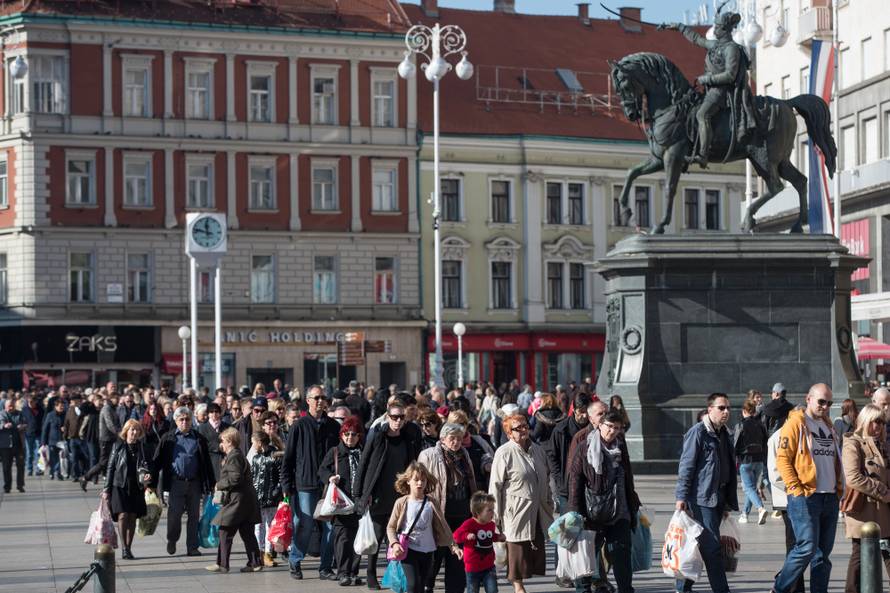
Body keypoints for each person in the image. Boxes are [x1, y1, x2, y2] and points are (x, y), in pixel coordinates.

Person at [773, 383, 843, 593]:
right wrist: (795, 488)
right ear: (808, 398)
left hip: (829, 496)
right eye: (821, 401)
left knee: (822, 555)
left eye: (829, 403)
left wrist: (839, 489)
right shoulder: (796, 423)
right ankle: (779, 588)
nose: (825, 406)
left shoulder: (828, 425)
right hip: (806, 496)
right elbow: (783, 458)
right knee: (806, 548)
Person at [663, 11, 754, 167]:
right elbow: (697, 39)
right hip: (710, 91)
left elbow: (730, 75)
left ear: (725, 29)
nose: (715, 30)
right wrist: (679, 26)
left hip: (722, 92)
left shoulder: (731, 49)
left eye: (717, 27)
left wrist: (707, 79)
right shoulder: (715, 45)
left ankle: (703, 154)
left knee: (702, 114)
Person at [568, 410, 640, 593]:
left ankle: (625, 589)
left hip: (620, 511)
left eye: (617, 428)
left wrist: (633, 503)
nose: (613, 431)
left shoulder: (620, 446)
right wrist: (576, 513)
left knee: (622, 555)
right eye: (609, 426)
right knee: (587, 554)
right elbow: (575, 481)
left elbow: (628, 476)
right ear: (600, 425)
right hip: (593, 512)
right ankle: (584, 589)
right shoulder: (585, 448)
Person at [674, 393, 738, 593]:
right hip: (701, 499)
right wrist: (681, 497)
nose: (726, 411)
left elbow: (727, 467)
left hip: (718, 498)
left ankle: (682, 587)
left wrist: (727, 503)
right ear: (710, 409)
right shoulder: (698, 433)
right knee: (712, 548)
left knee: (701, 545)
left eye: (728, 408)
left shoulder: (725, 433)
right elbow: (686, 466)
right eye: (721, 408)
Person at [356, 401, 421, 589]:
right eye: (394, 417)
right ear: (387, 416)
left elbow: (412, 465)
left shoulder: (408, 438)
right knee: (377, 534)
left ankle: (396, 575)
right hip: (378, 492)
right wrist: (359, 492)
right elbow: (364, 463)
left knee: (398, 536)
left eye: (401, 417)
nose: (398, 421)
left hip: (399, 494)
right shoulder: (378, 436)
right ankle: (370, 572)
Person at [281, 385, 340, 580]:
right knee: (304, 524)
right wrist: (286, 486)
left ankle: (325, 567)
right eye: (316, 397)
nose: (320, 401)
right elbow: (288, 459)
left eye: (323, 397)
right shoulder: (299, 426)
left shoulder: (333, 426)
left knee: (330, 527)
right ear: (308, 400)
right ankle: (295, 560)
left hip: (328, 485)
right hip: (304, 484)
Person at [489, 413, 553, 593]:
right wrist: (494, 517)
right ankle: (518, 587)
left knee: (532, 548)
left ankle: (520, 583)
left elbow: (546, 478)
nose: (524, 430)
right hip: (514, 510)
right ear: (509, 433)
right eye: (518, 428)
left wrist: (548, 501)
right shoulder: (504, 452)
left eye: (525, 426)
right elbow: (495, 486)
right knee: (516, 550)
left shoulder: (537, 450)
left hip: (538, 509)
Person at [419, 423, 477, 593]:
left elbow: (470, 481)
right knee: (436, 555)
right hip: (439, 512)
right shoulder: (428, 455)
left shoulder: (464, 455)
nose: (456, 442)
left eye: (459, 438)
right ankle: (427, 585)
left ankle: (455, 589)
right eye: (452, 438)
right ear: (442, 439)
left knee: (458, 557)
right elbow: (420, 482)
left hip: (462, 512)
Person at [386, 461, 459, 593]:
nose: (420, 483)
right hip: (408, 550)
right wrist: (395, 543)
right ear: (408, 481)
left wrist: (453, 546)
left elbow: (443, 526)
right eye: (416, 480)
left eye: (423, 480)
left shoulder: (431, 502)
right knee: (412, 585)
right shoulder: (402, 502)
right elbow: (391, 527)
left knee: (421, 586)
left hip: (428, 550)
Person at [151, 406, 215, 557]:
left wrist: (211, 483)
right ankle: (172, 539)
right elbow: (157, 461)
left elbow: (206, 462)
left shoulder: (199, 438)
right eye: (181, 419)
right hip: (175, 483)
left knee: (194, 516)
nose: (185, 422)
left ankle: (192, 547)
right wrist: (151, 481)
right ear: (176, 421)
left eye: (187, 419)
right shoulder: (168, 438)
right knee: (174, 516)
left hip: (194, 483)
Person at [841, 404, 890, 592]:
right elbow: (853, 477)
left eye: (882, 422)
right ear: (865, 420)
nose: (879, 426)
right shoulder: (853, 442)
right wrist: (883, 492)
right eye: (875, 421)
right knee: (860, 556)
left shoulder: (883, 444)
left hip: (884, 511)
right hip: (863, 510)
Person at [206, 427, 263, 573]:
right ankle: (255, 562)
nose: (221, 445)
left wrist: (219, 484)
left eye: (223, 441)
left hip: (238, 501)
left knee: (225, 531)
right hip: (245, 500)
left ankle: (223, 564)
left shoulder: (234, 456)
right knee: (247, 532)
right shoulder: (237, 455)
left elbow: (235, 478)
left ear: (230, 442)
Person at [319, 416, 365, 586]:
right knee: (342, 539)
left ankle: (353, 572)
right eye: (346, 434)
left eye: (353, 434)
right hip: (341, 502)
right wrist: (330, 477)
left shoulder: (363, 452)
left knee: (357, 538)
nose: (349, 438)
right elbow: (322, 469)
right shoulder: (335, 452)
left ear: (359, 436)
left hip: (359, 501)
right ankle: (343, 572)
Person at [767, 412, 805, 593]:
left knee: (804, 545)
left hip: (803, 497)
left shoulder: (803, 434)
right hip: (787, 499)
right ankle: (788, 584)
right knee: (795, 545)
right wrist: (797, 487)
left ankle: (790, 583)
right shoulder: (777, 437)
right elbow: (775, 473)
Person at [104, 419, 151, 560]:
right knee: (123, 515)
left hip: (136, 486)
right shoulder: (118, 446)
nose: (134, 433)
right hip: (120, 485)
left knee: (132, 517)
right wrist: (106, 489)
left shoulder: (142, 447)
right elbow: (110, 467)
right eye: (132, 430)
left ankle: (129, 547)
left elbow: (147, 465)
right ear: (126, 431)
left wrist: (148, 475)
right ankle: (124, 547)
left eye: (137, 430)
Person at [453, 492, 505, 593]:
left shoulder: (491, 524)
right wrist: (466, 536)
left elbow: (490, 536)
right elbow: (455, 536)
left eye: (493, 509)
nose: (492, 512)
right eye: (489, 510)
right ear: (478, 512)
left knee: (493, 590)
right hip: (472, 567)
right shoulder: (469, 524)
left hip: (489, 566)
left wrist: (498, 537)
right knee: (472, 590)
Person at [250, 430, 282, 567]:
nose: (253, 446)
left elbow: (281, 476)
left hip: (272, 497)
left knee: (271, 526)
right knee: (259, 526)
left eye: (253, 443)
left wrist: (276, 491)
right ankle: (259, 552)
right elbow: (252, 476)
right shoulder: (255, 458)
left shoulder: (275, 457)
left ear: (259, 443)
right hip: (258, 497)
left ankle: (268, 553)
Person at [735, 398, 768, 525]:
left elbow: (736, 444)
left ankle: (760, 508)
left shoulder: (741, 425)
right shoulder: (760, 424)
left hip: (745, 460)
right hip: (759, 459)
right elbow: (766, 442)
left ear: (744, 411)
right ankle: (745, 514)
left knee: (748, 488)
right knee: (752, 488)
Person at [82, 393, 122, 490]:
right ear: (111, 399)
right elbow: (109, 424)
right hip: (106, 439)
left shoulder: (112, 408)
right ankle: (86, 477)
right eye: (116, 398)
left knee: (112, 461)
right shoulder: (106, 408)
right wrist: (120, 433)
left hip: (112, 439)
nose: (118, 400)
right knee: (103, 462)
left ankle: (111, 482)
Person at [197, 403, 229, 483]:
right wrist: (218, 447)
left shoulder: (227, 426)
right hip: (209, 461)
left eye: (216, 411)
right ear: (208, 414)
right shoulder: (202, 427)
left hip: (224, 460)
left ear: (220, 413)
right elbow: (202, 444)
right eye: (211, 412)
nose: (214, 414)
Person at [0, 398, 27, 493]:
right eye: (9, 406)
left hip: (18, 444)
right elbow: (1, 422)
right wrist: (4, 426)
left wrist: (23, 426)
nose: (11, 408)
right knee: (6, 467)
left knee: (21, 466)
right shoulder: (2, 414)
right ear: (5, 406)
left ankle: (20, 485)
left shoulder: (20, 413)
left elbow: (26, 423)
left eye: (12, 406)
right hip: (6, 445)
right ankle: (7, 486)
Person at [41, 398, 66, 481]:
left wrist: (65, 428)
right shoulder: (50, 415)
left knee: (61, 457)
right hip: (52, 440)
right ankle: (52, 472)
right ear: (55, 406)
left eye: (63, 406)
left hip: (62, 440)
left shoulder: (65, 414)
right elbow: (45, 429)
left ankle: (58, 473)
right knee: (52, 458)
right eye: (60, 406)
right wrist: (43, 442)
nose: (62, 408)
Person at [20, 393, 45, 477]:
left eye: (32, 402)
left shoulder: (41, 409)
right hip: (29, 433)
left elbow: (43, 421)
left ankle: (39, 469)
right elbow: (21, 420)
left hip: (38, 433)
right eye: (29, 402)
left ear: (36, 401)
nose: (30, 404)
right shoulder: (24, 409)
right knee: (29, 453)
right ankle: (30, 469)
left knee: (38, 452)